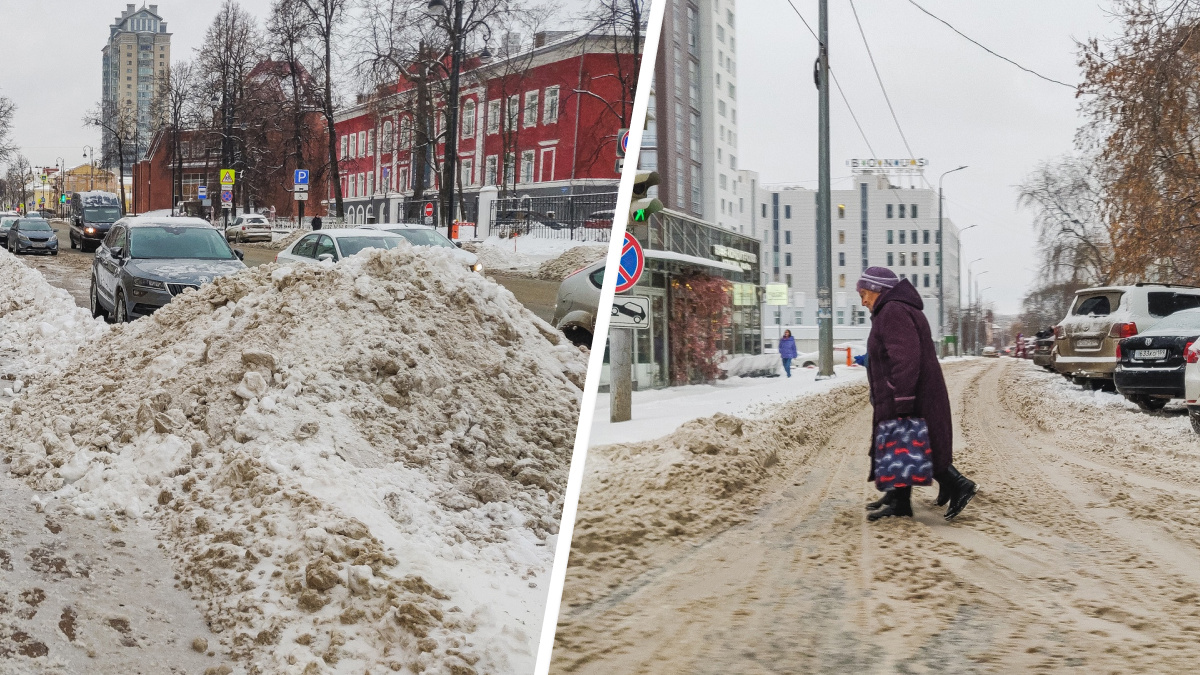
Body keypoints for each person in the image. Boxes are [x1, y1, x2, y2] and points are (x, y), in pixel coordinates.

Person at [857, 266, 977, 522]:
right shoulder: (893, 309)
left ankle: (957, 486)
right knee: (901, 444)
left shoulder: (893, 311)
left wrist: (899, 396)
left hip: (908, 391)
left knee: (913, 444)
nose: (863, 301)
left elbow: (905, 358)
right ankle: (896, 497)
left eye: (865, 293)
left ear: (878, 290)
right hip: (908, 391)